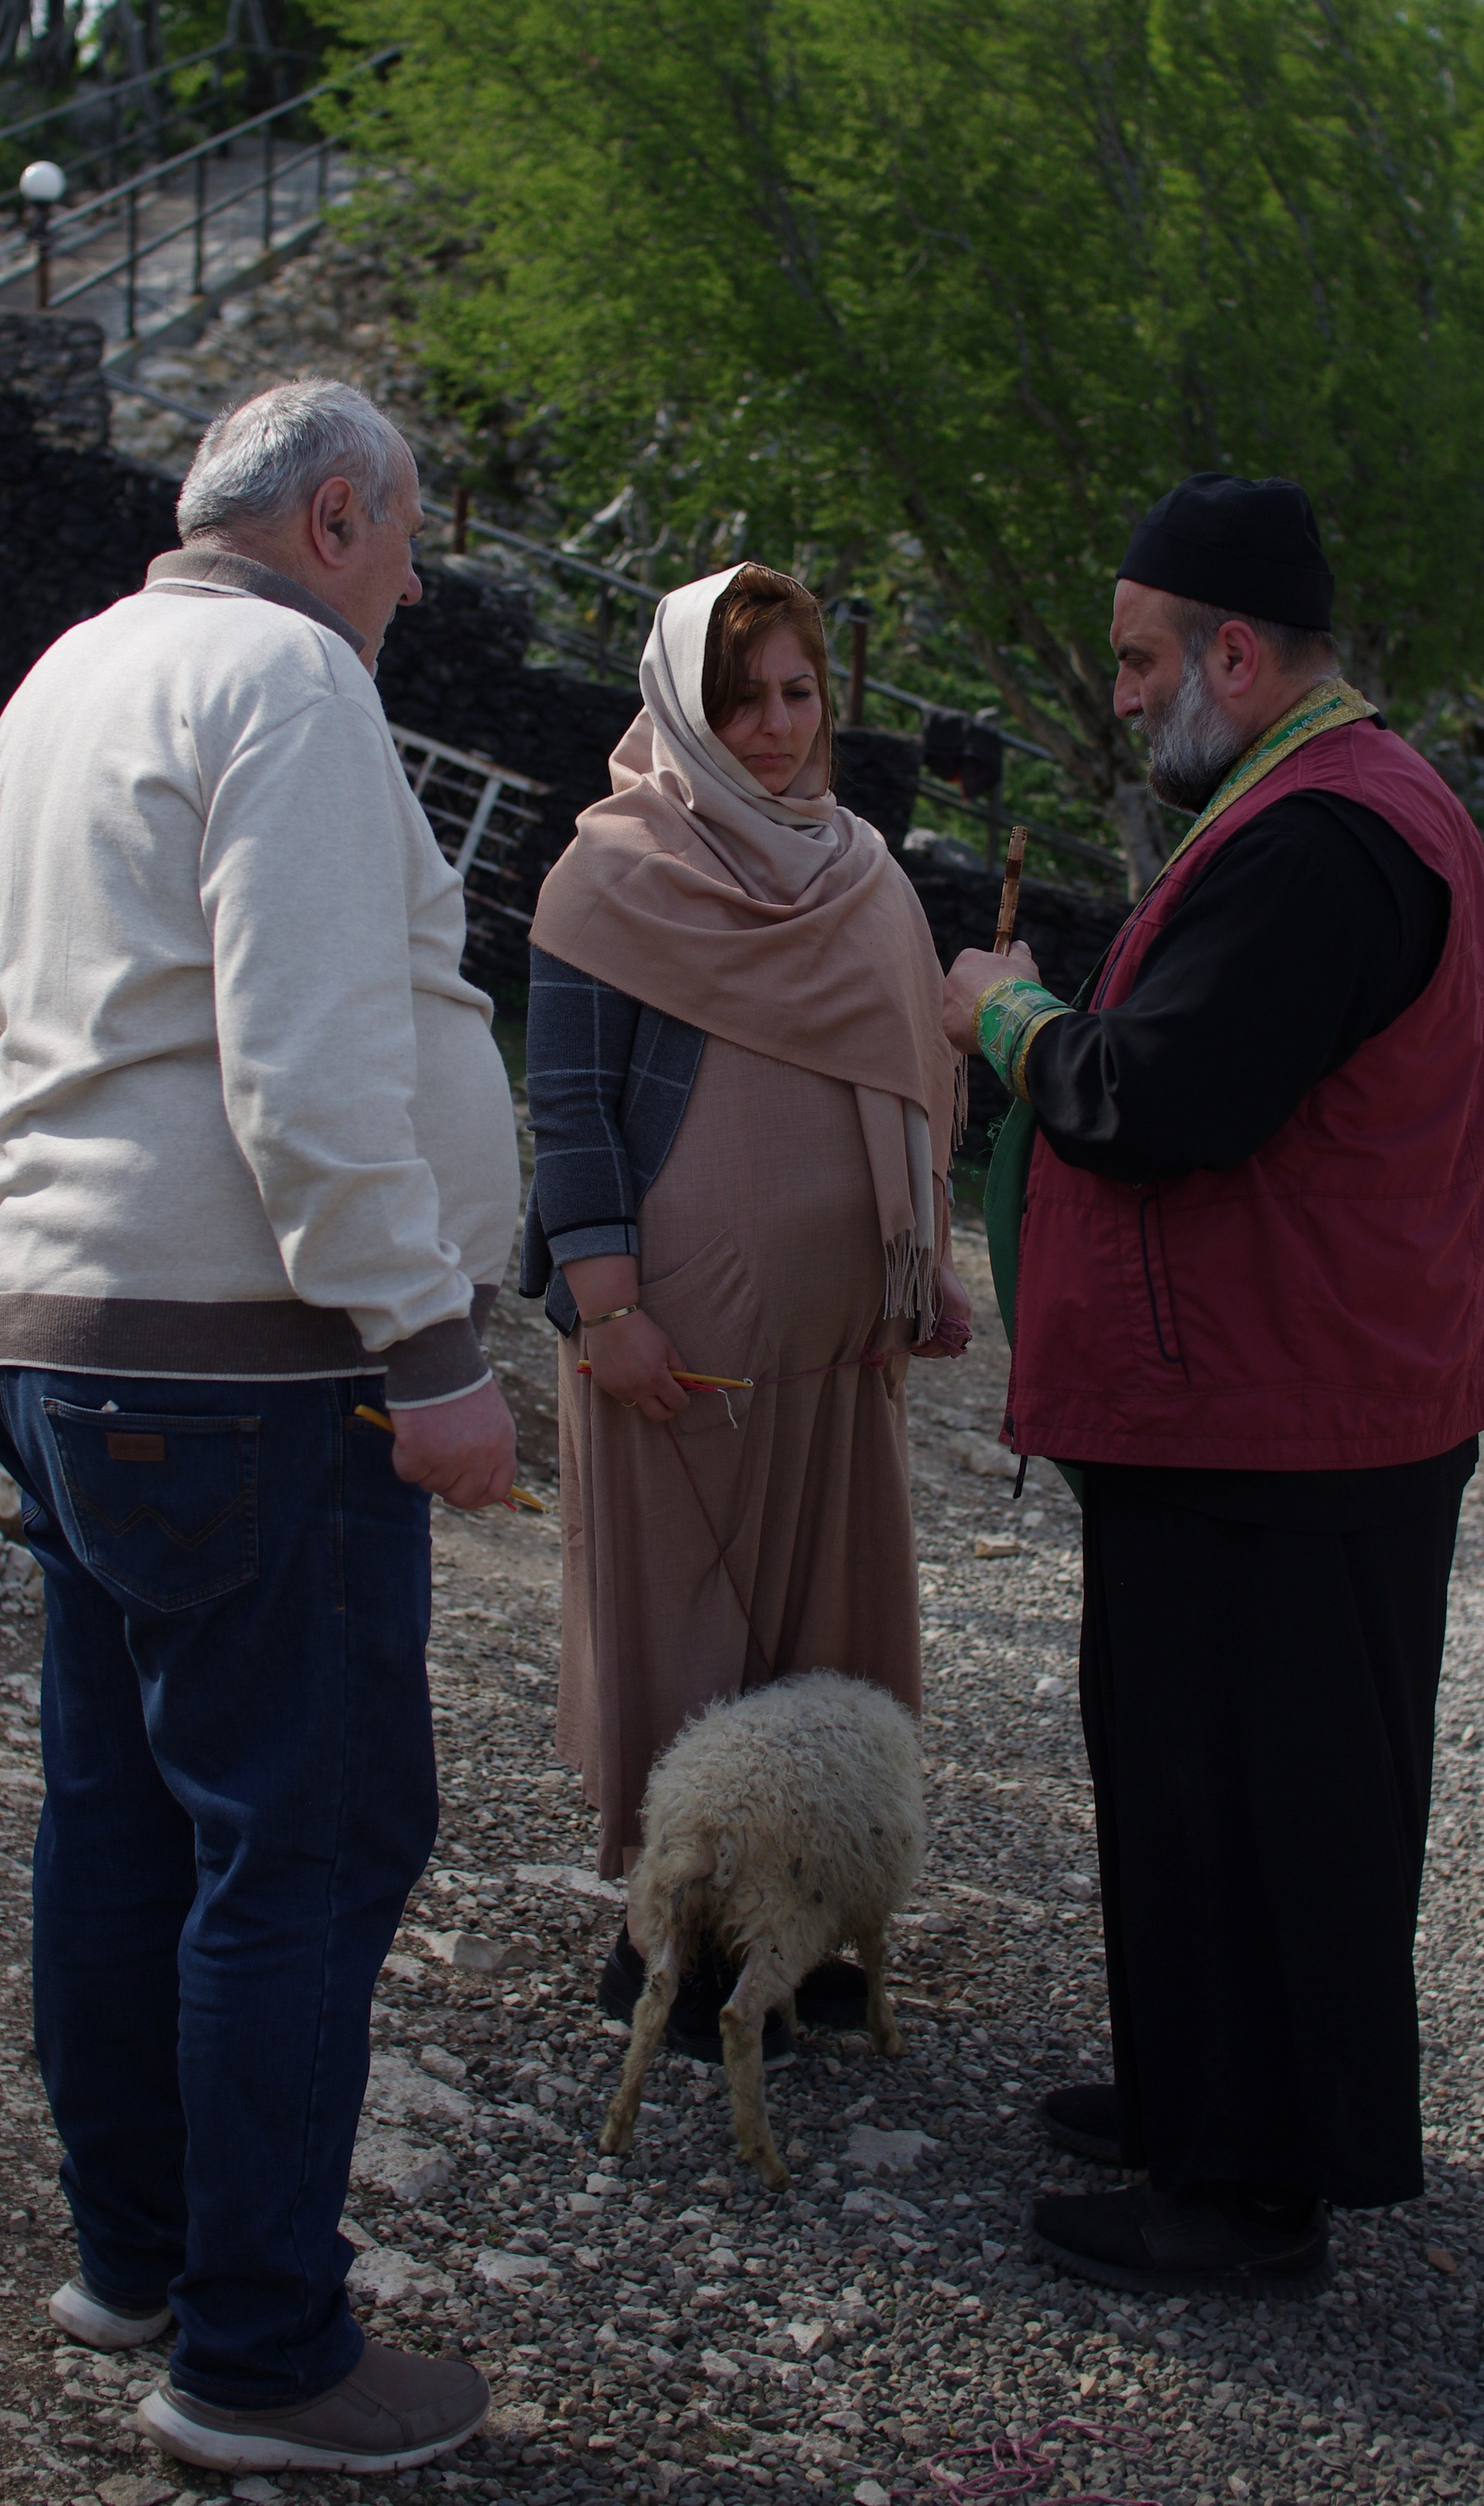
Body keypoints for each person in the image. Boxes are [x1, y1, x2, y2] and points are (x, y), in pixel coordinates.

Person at [0, 379, 521, 2474]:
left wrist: (31, 1268)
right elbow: (305, 1057)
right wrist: (433, 1348)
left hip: (64, 1333)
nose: (419, 582)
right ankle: (261, 2352)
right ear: (336, 515)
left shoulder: (65, 677)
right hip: (251, 1369)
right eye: (409, 539)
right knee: (309, 1833)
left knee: (121, 1816)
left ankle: (143, 2256)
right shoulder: (286, 678)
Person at [943, 473, 1484, 2300]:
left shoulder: (1319, 838)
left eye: (1137, 661)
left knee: (1259, 1793)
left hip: (1281, 1412)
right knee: (1191, 1768)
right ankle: (1195, 2090)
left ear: (1231, 649)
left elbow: (1158, 1098)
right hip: (1282, 1401)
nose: (1121, 696)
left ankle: (1246, 2186)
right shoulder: (1337, 806)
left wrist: (1006, 1016)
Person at [522, 562, 969, 2056]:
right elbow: (571, 1110)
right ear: (678, 707)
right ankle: (676, 1929)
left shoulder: (861, 872)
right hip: (675, 1347)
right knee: (683, 1624)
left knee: (815, 1630)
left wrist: (925, 1268)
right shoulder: (611, 872)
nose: (772, 729)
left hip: (839, 1349)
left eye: (795, 694)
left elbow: (913, 1085)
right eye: (738, 700)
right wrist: (604, 1308)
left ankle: (802, 1918)